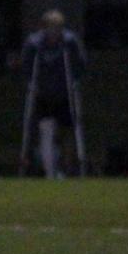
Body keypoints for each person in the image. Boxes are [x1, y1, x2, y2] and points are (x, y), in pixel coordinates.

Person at [21, 10, 87, 179]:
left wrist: (75, 82)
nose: (54, 32)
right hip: (43, 93)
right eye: (50, 28)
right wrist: (31, 84)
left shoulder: (69, 42)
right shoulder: (34, 43)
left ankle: (66, 168)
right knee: (46, 129)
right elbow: (27, 67)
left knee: (67, 130)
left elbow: (80, 65)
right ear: (43, 28)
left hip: (64, 93)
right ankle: (49, 170)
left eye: (57, 28)